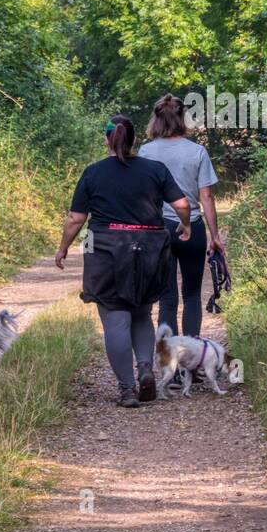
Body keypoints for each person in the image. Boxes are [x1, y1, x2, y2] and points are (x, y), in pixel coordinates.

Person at [55, 115, 192, 407]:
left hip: (107, 251)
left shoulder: (93, 173)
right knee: (142, 314)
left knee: (116, 321)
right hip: (150, 251)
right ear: (134, 140)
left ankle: (128, 389)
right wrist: (186, 226)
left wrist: (63, 248)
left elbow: (75, 218)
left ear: (108, 140)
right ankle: (145, 367)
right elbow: (182, 204)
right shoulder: (155, 169)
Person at [137, 94, 224, 342]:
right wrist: (214, 236)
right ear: (182, 118)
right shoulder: (197, 151)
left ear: (156, 120)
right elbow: (206, 197)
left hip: (158, 230)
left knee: (167, 298)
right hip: (192, 227)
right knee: (192, 295)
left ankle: (171, 366)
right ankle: (192, 361)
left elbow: (141, 194)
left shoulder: (145, 152)